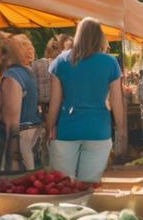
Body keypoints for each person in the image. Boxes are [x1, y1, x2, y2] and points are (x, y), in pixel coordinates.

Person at [47, 17, 126, 182]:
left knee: (62, 184)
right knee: (89, 184)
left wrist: (49, 128)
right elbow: (116, 101)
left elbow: (54, 103)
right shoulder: (110, 62)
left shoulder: (60, 61)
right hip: (98, 129)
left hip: (67, 128)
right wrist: (121, 129)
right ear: (100, 37)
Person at [0, 32, 42, 173]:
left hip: (21, 145)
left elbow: (13, 125)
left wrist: (14, 160)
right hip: (31, 141)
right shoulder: (26, 73)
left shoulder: (12, 77)